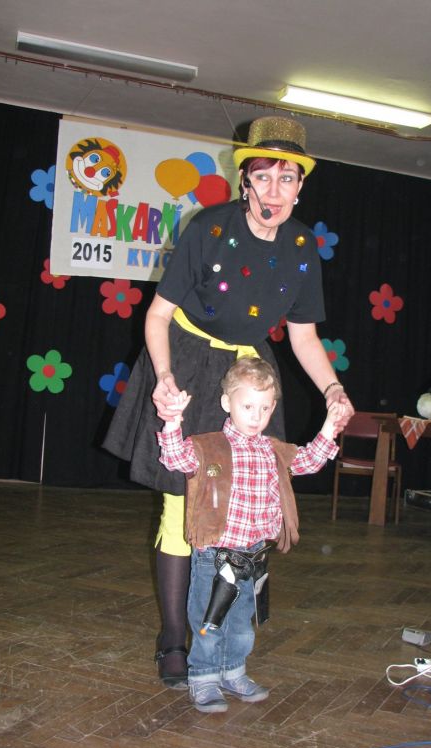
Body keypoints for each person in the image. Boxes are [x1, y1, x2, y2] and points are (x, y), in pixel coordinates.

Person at [103, 115, 355, 689]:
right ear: (245, 181)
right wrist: (164, 378)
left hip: (247, 373)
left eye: (286, 178)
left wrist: (333, 389)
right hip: (187, 361)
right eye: (263, 176)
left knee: (241, 509)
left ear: (300, 186)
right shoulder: (209, 228)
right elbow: (158, 315)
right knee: (183, 506)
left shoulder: (302, 246)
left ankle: (223, 643)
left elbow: (303, 336)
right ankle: (174, 639)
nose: (274, 190)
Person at [157, 357, 343, 712]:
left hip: (253, 555)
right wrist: (172, 421)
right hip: (214, 553)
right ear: (227, 403)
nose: (257, 416)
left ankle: (233, 671)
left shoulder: (272, 450)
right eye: (248, 407)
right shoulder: (208, 445)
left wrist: (330, 427)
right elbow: (175, 459)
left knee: (241, 621)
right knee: (208, 618)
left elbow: (307, 460)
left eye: (265, 408)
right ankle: (203, 677)